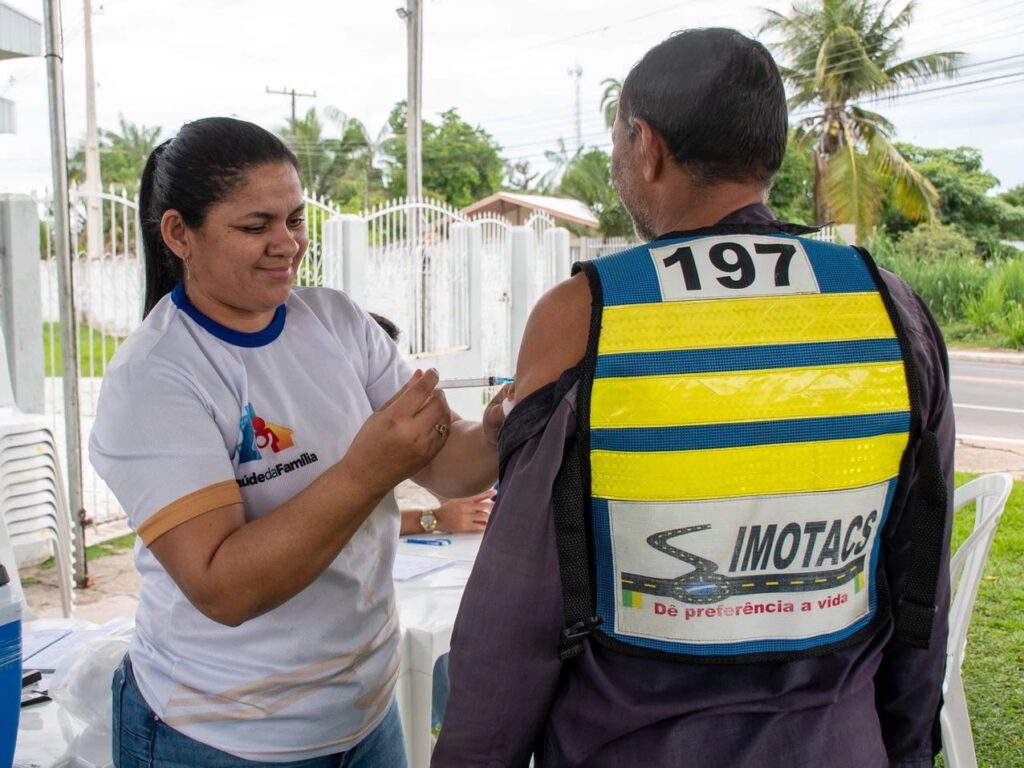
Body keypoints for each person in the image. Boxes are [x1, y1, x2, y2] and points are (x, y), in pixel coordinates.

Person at [432, 28, 954, 768]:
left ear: (646, 145)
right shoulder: (889, 307)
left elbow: (516, 616)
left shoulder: (589, 315)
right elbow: (919, 579)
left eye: (619, 145)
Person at [89, 116, 509, 767]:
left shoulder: (337, 322)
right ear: (180, 234)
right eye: (256, 226)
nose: (285, 244)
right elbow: (224, 588)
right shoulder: (155, 376)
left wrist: (504, 428)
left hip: (362, 717)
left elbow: (450, 463)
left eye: (295, 220)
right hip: (220, 735)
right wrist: (366, 472)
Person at [367, 313, 495, 536]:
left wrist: (494, 435)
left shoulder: (398, 415)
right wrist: (433, 519)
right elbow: (328, 520)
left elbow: (444, 457)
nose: (395, 381)